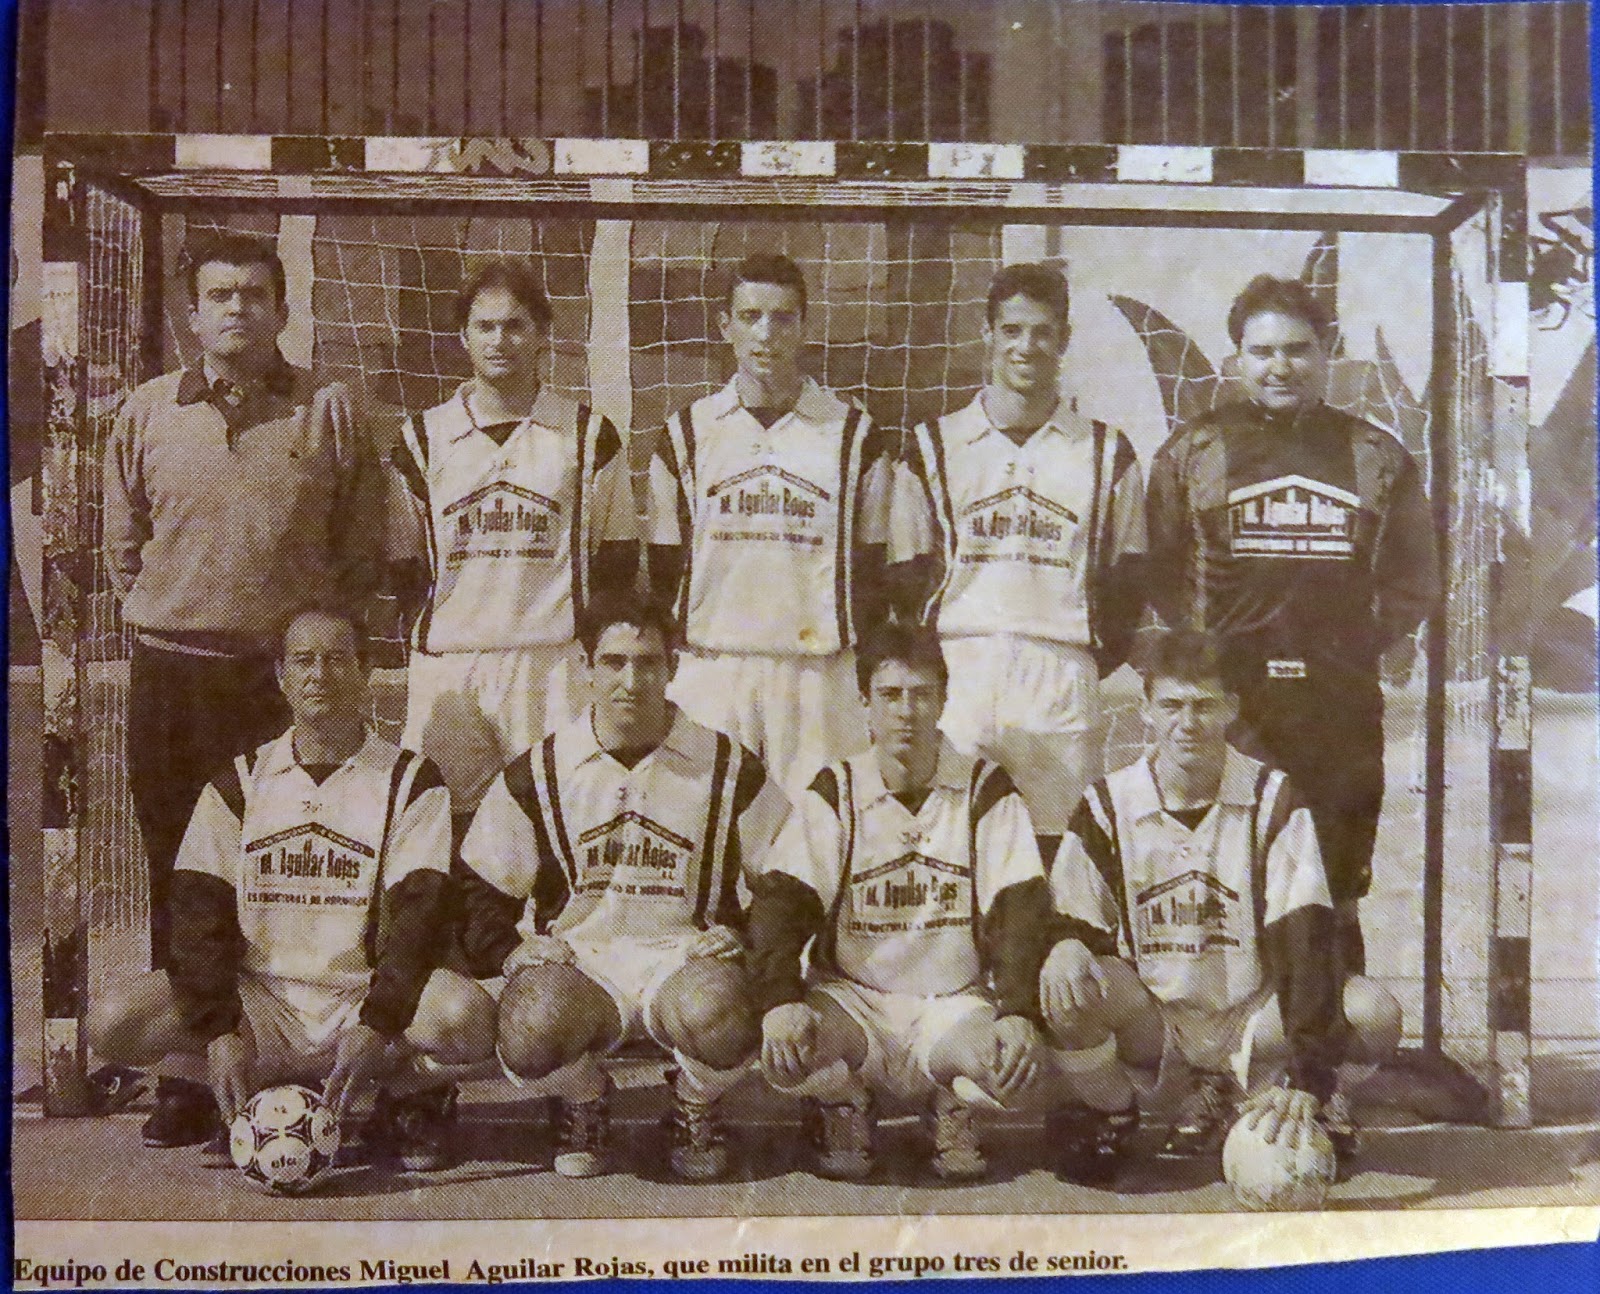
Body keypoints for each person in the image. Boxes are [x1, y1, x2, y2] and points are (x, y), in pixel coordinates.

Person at [102, 231, 382, 1138]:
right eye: (220, 295)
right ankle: (188, 1071)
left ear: (282, 311)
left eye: (255, 295)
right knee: (176, 872)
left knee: (287, 873)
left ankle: (292, 1056)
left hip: (280, 684)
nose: (237, 309)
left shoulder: (329, 411)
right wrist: (178, 611)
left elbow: (358, 548)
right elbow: (123, 549)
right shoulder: (146, 411)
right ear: (192, 312)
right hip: (174, 679)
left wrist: (302, 647)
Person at [86, 608, 495, 1169]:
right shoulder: (240, 781)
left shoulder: (409, 780)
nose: (319, 675)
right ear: (280, 676)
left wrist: (377, 1023)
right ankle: (241, 1086)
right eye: (303, 661)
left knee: (467, 1016)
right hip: (264, 1007)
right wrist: (220, 1029)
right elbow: (197, 916)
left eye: (337, 659)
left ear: (366, 669)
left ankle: (408, 1096)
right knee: (111, 1021)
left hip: (360, 1003)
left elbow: (417, 921)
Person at [1145, 274, 1441, 975]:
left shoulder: (1377, 454)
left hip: (1337, 707)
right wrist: (1211, 649)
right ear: (1238, 358)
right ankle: (1229, 1054)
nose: (1281, 366)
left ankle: (1328, 1064)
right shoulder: (1195, 450)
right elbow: (1156, 568)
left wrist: (1347, 645)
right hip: (1231, 709)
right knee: (1226, 878)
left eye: (1298, 350)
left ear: (1327, 352)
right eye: (1263, 351)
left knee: (1333, 889)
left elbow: (1414, 580)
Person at [1040, 629, 1401, 1186]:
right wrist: (1065, 943)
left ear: (1231, 709)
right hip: (1157, 1022)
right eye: (1173, 706)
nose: (1189, 723)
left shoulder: (1273, 798)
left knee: (1375, 1011)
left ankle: (1307, 1098)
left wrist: (1309, 1073)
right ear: (1147, 712)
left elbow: (1306, 938)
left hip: (1254, 1019)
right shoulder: (1107, 803)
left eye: (1205, 706)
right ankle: (1117, 1110)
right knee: (1067, 983)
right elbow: (1070, 917)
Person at [454, 595, 789, 1181]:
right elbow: (479, 888)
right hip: (582, 966)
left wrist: (743, 933)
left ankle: (694, 1101)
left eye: (648, 663)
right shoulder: (539, 770)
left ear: (673, 668)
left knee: (727, 1014)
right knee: (530, 1028)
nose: (630, 681)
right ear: (585, 667)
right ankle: (585, 1098)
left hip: (682, 961)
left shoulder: (730, 766)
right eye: (613, 662)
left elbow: (788, 882)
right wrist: (507, 951)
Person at [746, 622, 1064, 1182]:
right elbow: (781, 901)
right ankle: (844, 1101)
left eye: (921, 695)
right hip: (855, 1002)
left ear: (944, 701)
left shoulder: (986, 788)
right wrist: (779, 998)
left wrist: (1016, 1011)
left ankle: (951, 1103)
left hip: (952, 1004)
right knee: (784, 1048)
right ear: (865, 703)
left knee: (1017, 1070)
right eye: (891, 696)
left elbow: (1019, 908)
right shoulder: (837, 788)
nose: (906, 712)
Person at [889, 262, 1145, 861]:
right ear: (988, 335)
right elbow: (905, 574)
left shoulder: (1107, 452)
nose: (1025, 346)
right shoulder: (934, 444)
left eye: (1042, 332)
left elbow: (1129, 577)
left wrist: (1085, 650)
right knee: (953, 852)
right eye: (1012, 330)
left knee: (1058, 860)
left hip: (1059, 671)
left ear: (1064, 340)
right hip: (962, 669)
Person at [389, 258, 639, 823]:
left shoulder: (588, 435)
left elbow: (617, 558)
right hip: (453, 665)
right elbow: (403, 564)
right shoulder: (421, 440)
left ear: (542, 333)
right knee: (442, 826)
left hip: (550, 662)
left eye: (515, 325)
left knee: (554, 823)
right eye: (485, 326)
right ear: (463, 336)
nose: (499, 340)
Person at [645, 253, 894, 796]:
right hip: (715, 667)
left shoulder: (853, 435)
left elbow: (876, 570)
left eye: (782, 318)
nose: (766, 333)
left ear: (805, 325)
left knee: (815, 841)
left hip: (817, 674)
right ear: (724, 324)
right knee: (710, 836)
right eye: (750, 315)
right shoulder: (686, 434)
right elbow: (665, 565)